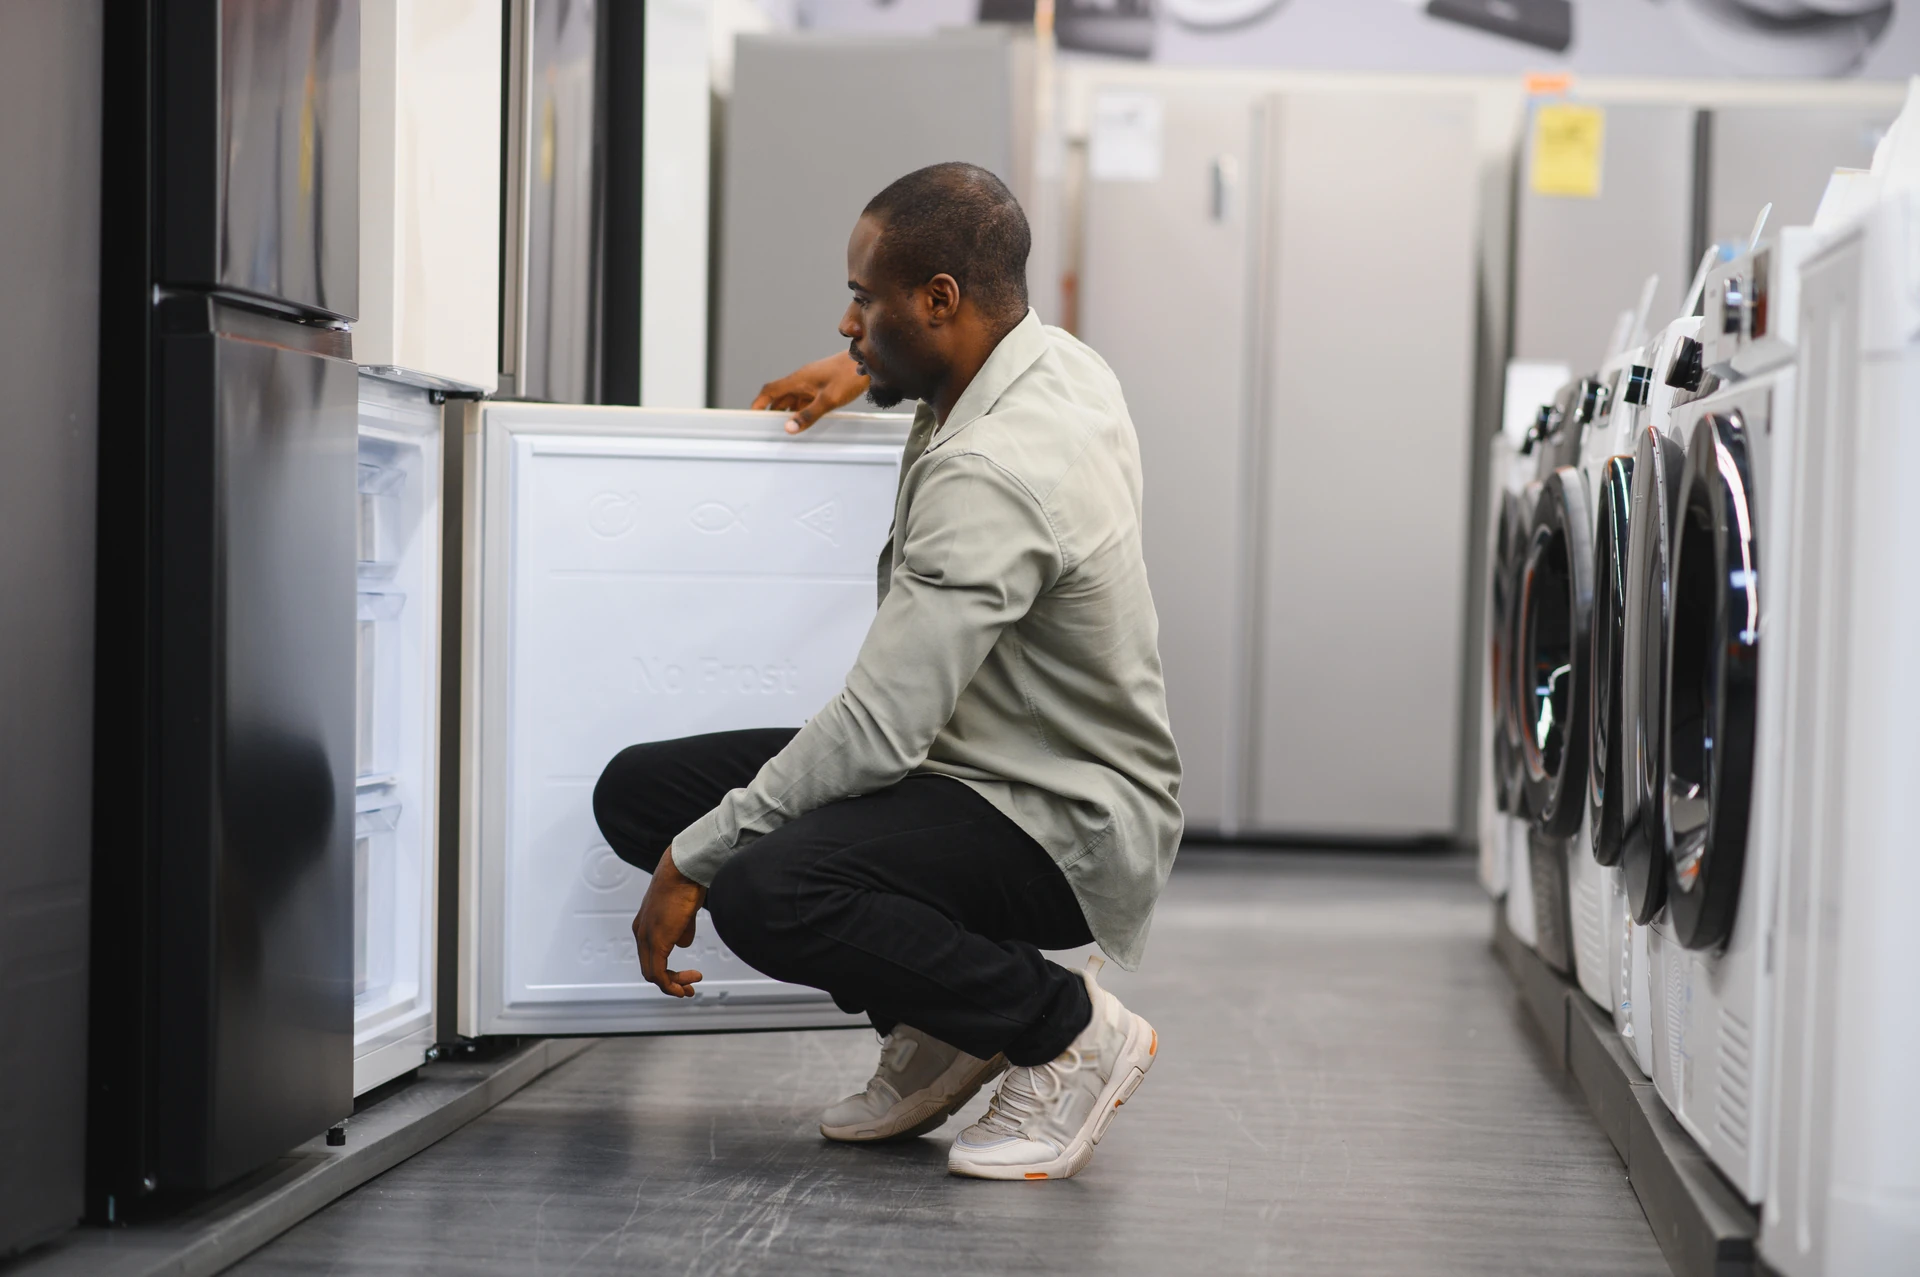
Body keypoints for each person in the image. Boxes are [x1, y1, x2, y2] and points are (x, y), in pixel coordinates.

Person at [591, 161, 1182, 1182]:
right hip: (981, 761)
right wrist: (866, 370)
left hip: (1060, 818)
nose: (845, 319)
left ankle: (1065, 1031)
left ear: (940, 300)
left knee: (768, 887)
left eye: (865, 300)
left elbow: (876, 731)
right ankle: (949, 1020)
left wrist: (694, 860)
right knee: (641, 789)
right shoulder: (1052, 363)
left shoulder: (995, 470)